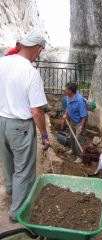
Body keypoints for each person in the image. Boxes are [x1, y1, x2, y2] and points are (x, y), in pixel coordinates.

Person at [0, 30, 50, 223]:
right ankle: (17, 213)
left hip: (1, 120)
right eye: (41, 51)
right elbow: (37, 111)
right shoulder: (31, 72)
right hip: (20, 125)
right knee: (24, 169)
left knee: (7, 160)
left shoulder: (2, 62)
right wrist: (44, 135)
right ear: (37, 49)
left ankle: (11, 192)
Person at [63, 82, 88, 164]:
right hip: (73, 120)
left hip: (80, 121)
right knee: (72, 137)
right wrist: (65, 114)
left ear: (71, 91)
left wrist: (81, 126)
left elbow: (84, 115)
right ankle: (73, 150)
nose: (64, 90)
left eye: (66, 89)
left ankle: (80, 157)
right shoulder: (68, 97)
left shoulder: (79, 101)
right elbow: (68, 106)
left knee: (79, 139)